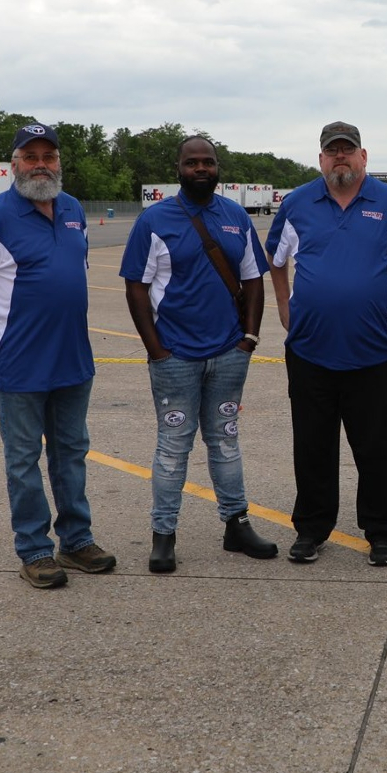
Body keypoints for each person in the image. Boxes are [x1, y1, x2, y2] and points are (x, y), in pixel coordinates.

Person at [0, 123, 116, 589]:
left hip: (73, 358)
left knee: (71, 454)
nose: (41, 165)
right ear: (14, 164)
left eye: (49, 156)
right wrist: (1, 330)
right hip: (21, 365)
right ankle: (34, 549)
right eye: (31, 156)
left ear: (59, 162)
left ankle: (76, 541)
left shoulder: (73, 210)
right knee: (23, 460)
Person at [265, 121, 387, 566]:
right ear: (321, 159)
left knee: (378, 450)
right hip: (309, 350)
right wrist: (283, 302)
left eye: (348, 150)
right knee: (312, 448)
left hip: (372, 353)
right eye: (332, 150)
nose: (341, 157)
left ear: (363, 156)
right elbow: (275, 258)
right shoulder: (297, 203)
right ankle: (311, 529)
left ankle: (382, 532)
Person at [120, 136, 274, 574]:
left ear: (218, 167)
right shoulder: (154, 220)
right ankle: (163, 534)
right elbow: (136, 286)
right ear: (179, 168)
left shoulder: (236, 216)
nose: (201, 168)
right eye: (192, 163)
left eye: (208, 161)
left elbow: (253, 279)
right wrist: (156, 350)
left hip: (228, 353)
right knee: (173, 445)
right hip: (176, 357)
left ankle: (236, 524)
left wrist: (249, 339)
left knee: (225, 440)